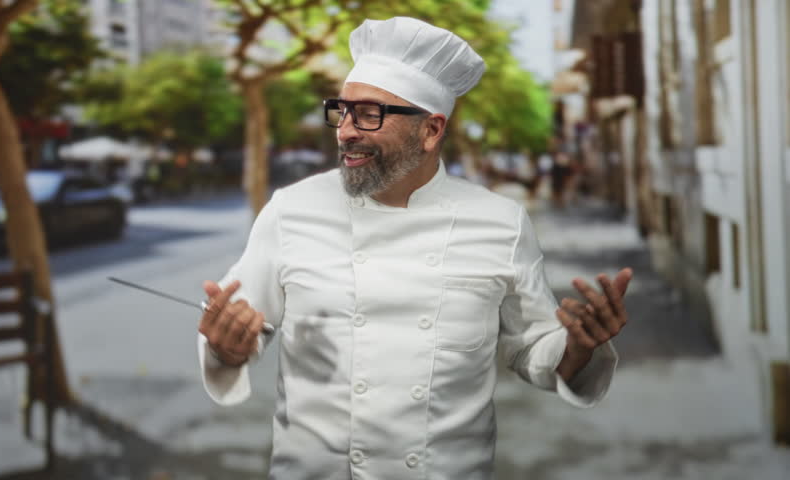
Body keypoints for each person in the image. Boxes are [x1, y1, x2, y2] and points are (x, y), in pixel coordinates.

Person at [197, 17, 632, 479]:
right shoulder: (291, 210)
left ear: (430, 130)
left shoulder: (500, 223)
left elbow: (531, 346)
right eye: (341, 111)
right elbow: (238, 324)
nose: (345, 131)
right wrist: (225, 346)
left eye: (368, 114)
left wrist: (578, 348)